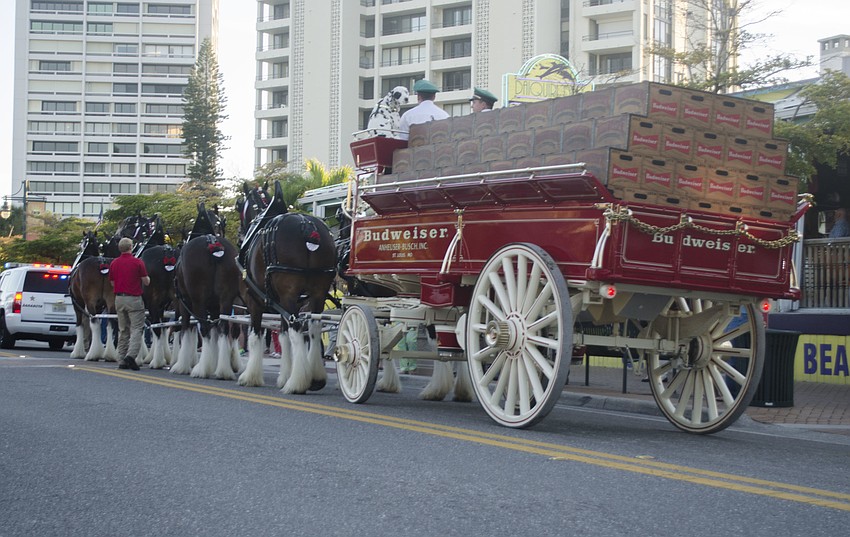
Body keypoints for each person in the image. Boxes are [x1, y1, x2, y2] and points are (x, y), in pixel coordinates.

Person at [109, 237, 150, 370]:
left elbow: (112, 282)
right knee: (137, 328)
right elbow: (146, 281)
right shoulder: (138, 262)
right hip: (134, 299)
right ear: (131, 247)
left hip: (119, 299)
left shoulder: (114, 263)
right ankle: (131, 356)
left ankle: (121, 359)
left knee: (123, 330)